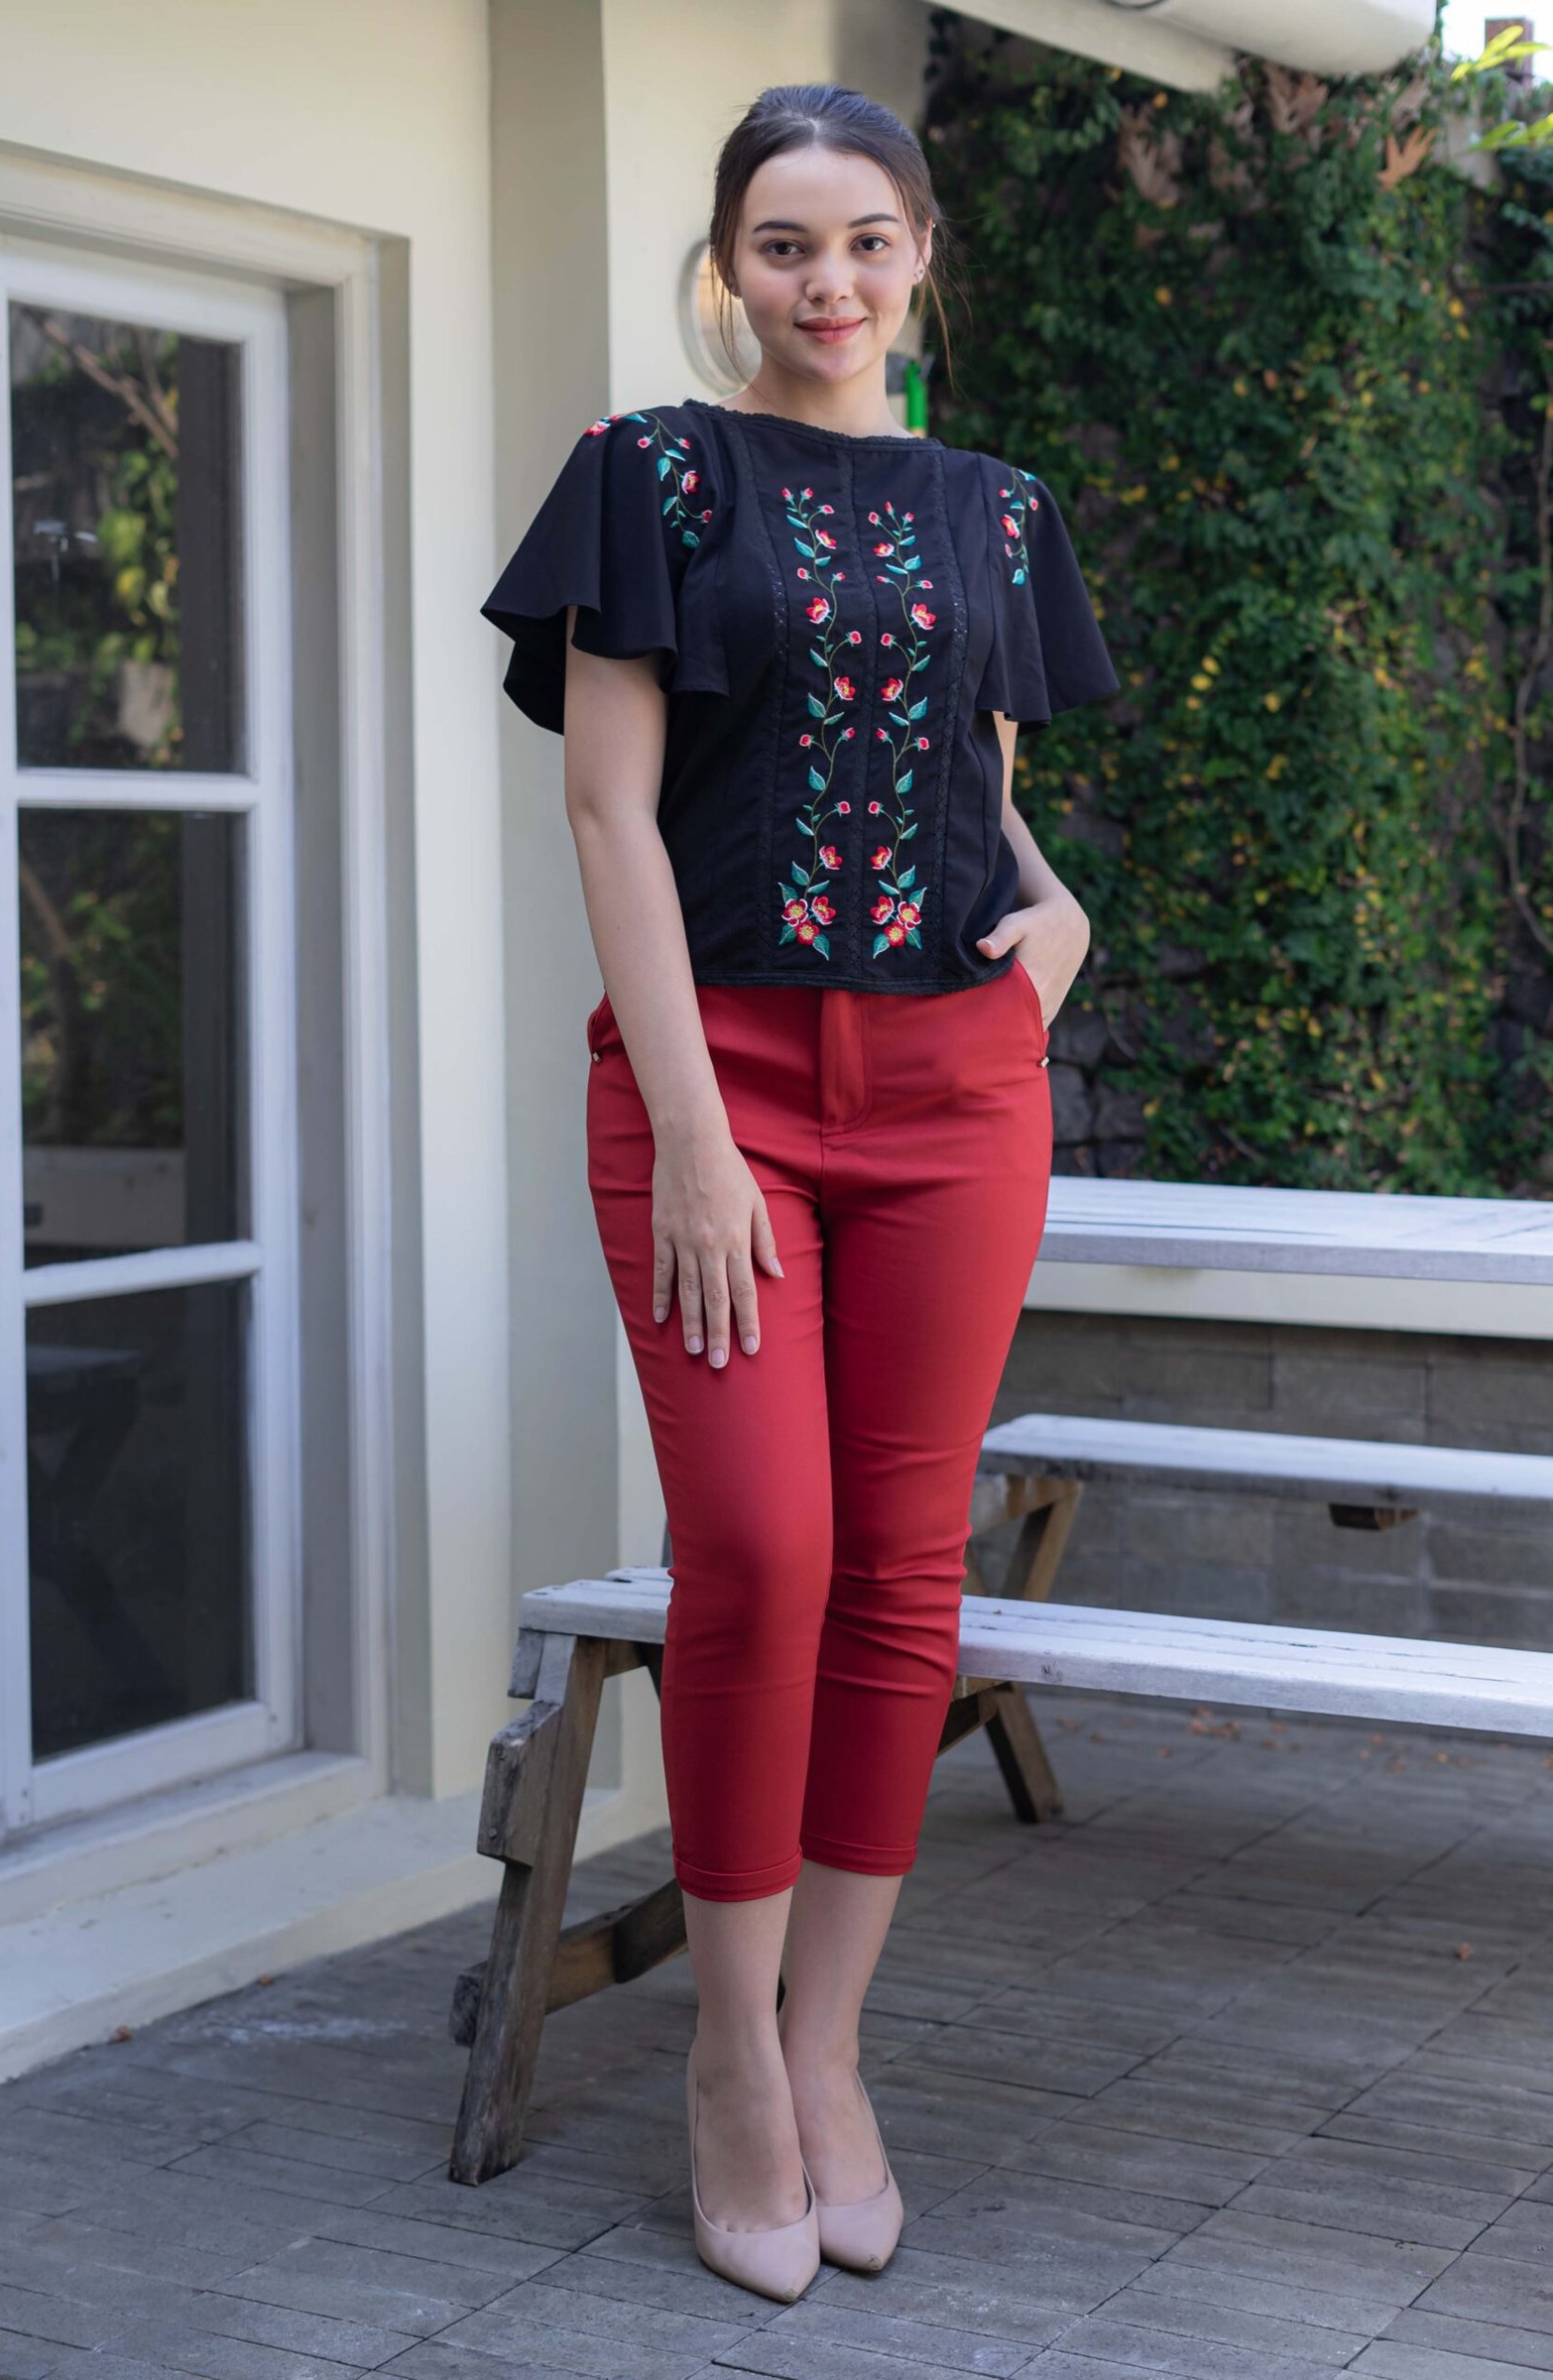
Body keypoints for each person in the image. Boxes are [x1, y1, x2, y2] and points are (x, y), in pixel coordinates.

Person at [481, 80, 1119, 2305]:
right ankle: (727, 2062)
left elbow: (974, 792)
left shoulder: (997, 511)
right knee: (760, 1549)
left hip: (954, 1095)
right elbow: (610, 816)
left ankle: (829, 2051)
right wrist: (688, 1129)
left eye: (862, 240)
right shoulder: (648, 477)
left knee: (902, 1571)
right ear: (729, 263)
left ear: (919, 252)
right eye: (781, 242)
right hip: (719, 1084)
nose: (824, 282)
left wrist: (1053, 925)